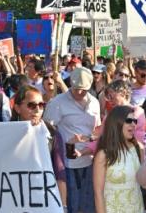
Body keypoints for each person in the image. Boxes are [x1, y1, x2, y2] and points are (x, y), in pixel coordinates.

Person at [44, 67, 100, 213]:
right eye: (76, 89)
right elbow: (46, 130)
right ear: (70, 85)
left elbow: (98, 129)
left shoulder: (95, 102)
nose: (79, 92)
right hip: (66, 165)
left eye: (84, 89)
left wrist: (92, 139)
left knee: (88, 206)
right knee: (71, 205)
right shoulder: (57, 103)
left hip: (90, 161)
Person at [11, 85, 67, 211]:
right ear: (17, 108)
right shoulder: (6, 134)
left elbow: (60, 174)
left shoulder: (52, 134)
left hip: (43, 199)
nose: (37, 110)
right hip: (13, 200)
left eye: (41, 105)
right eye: (31, 105)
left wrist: (63, 206)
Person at [93, 106, 144, 213]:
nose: (133, 124)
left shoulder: (138, 148)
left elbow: (144, 184)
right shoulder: (103, 154)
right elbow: (98, 193)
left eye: (135, 121)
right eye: (129, 121)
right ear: (116, 123)